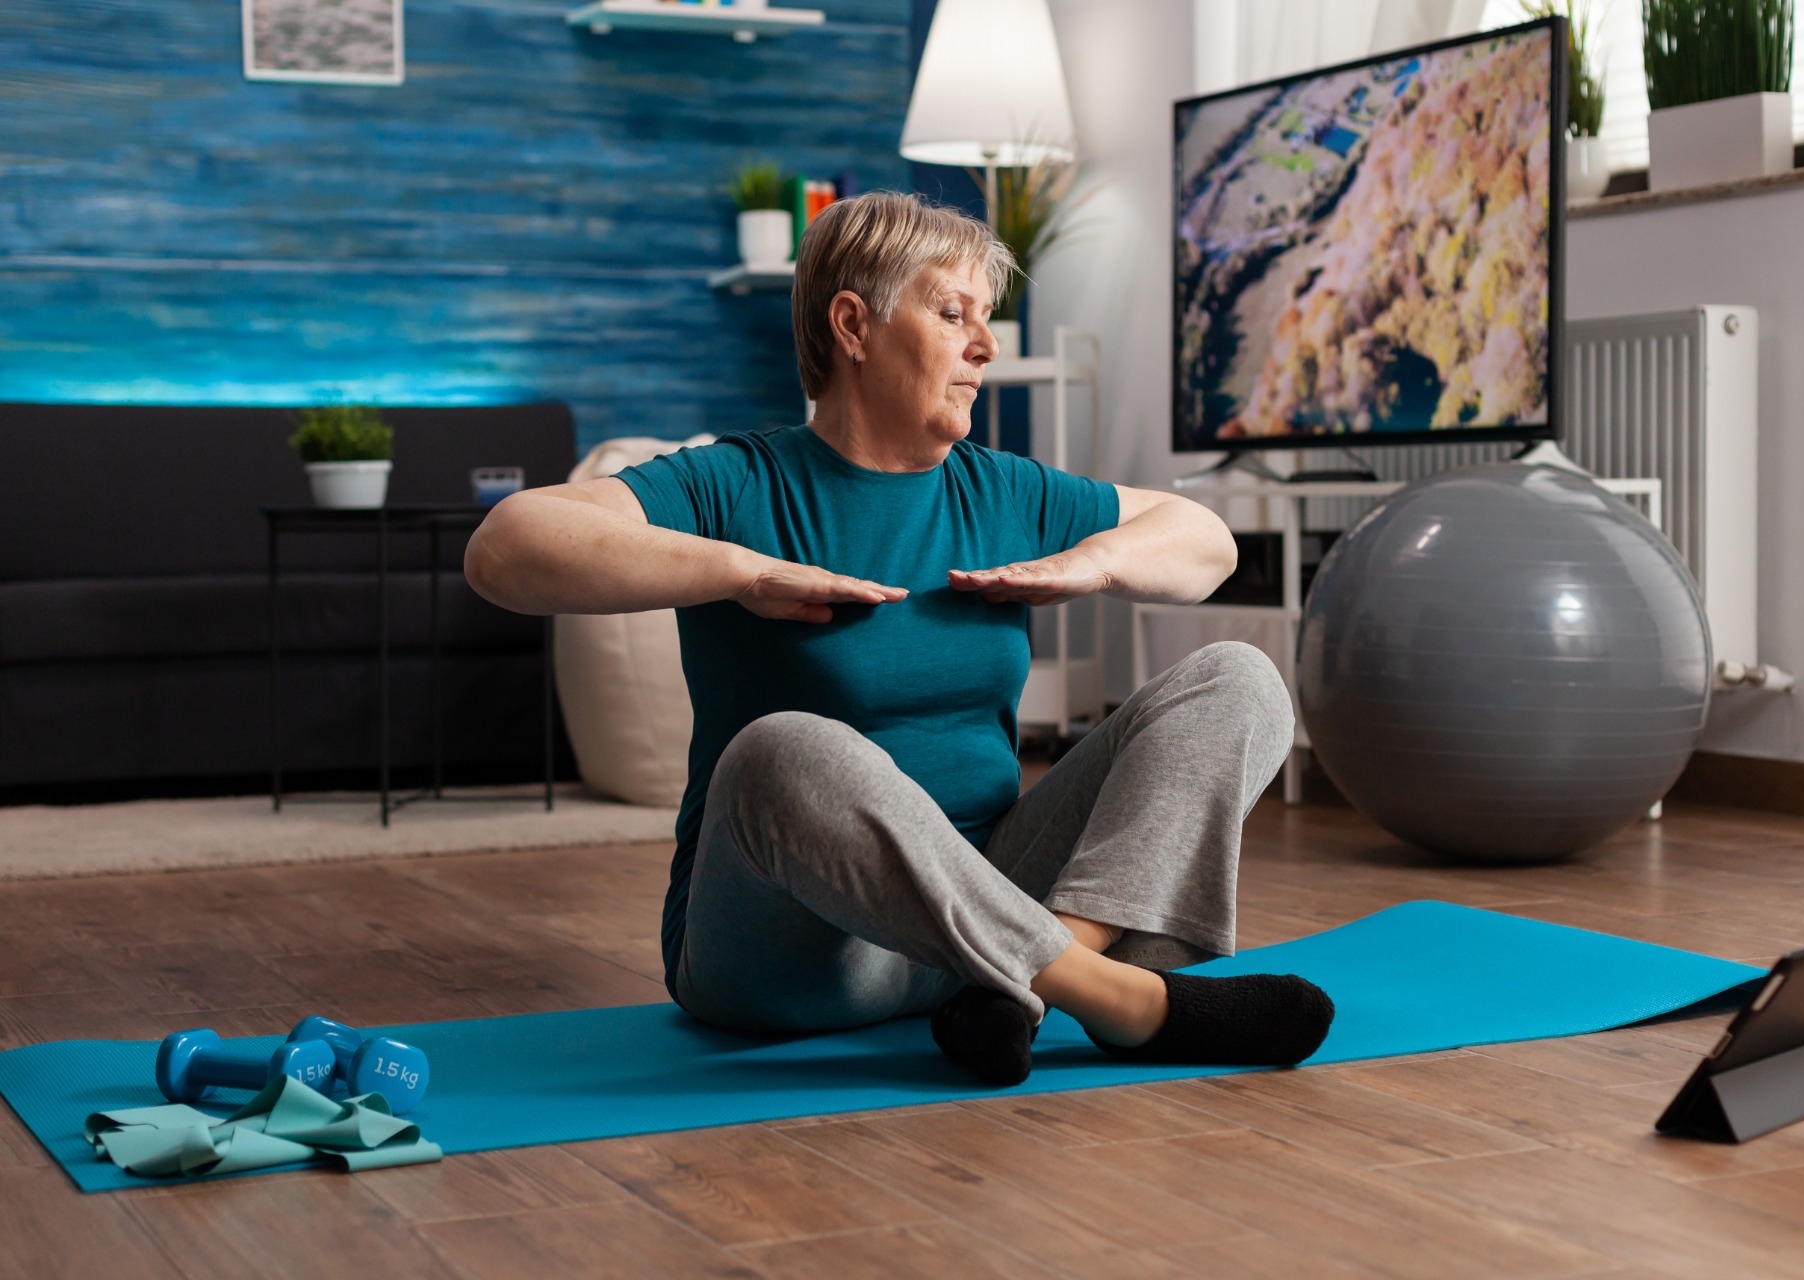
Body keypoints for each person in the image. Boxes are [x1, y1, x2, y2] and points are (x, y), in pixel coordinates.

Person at [466, 191, 1333, 1086]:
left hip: (988, 900)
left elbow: (1206, 542)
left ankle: (1025, 986)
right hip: (798, 954)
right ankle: (1116, 1000)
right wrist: (741, 572)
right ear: (853, 324)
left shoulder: (1001, 491)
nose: (985, 346)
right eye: (953, 313)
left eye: (984, 319)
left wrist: (1096, 562)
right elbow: (505, 548)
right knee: (782, 748)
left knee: (1240, 678)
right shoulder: (738, 482)